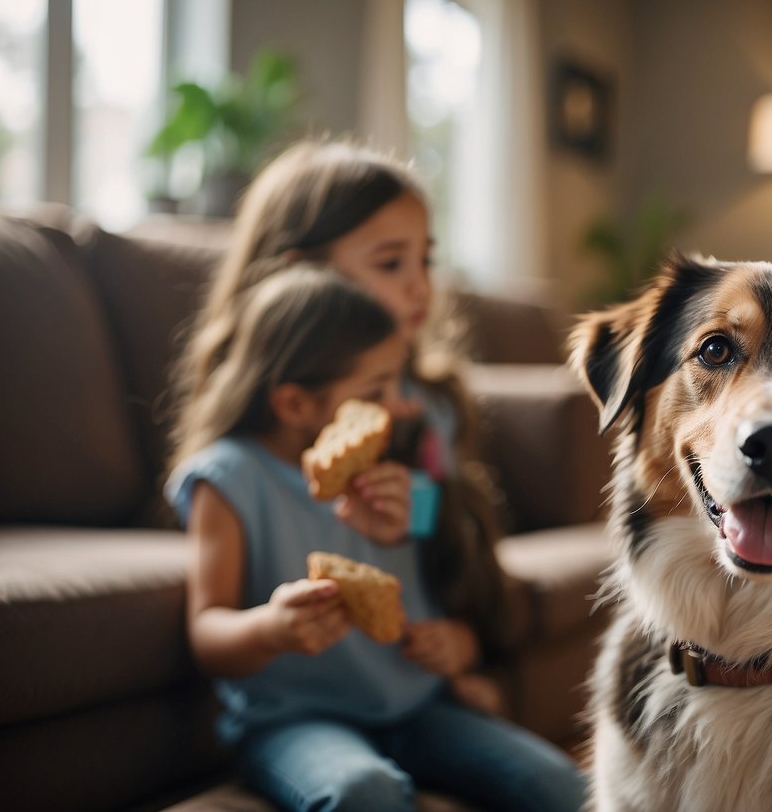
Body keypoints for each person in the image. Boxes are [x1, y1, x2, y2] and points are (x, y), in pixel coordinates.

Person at [165, 143, 587, 812]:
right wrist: (272, 628)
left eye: (425, 259)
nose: (420, 285)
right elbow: (209, 629)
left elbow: (444, 563)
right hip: (297, 717)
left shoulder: (410, 420)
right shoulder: (232, 476)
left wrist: (463, 649)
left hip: (414, 699)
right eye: (392, 263)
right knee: (367, 791)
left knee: (562, 786)